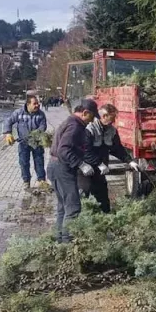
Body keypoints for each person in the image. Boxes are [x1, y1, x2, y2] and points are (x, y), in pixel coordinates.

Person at [48, 104, 96, 242]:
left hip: (54, 166)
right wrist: (81, 164)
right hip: (62, 169)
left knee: (63, 207)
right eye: (91, 118)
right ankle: (67, 246)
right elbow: (64, 150)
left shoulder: (69, 122)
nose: (91, 121)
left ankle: (58, 241)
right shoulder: (75, 126)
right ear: (85, 112)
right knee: (73, 208)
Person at [80, 103, 139, 213]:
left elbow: (117, 149)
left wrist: (129, 161)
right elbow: (85, 151)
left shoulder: (112, 131)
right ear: (104, 116)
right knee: (84, 198)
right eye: (112, 118)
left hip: (100, 172)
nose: (114, 121)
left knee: (103, 201)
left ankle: (106, 219)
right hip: (86, 170)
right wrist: (99, 163)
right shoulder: (89, 129)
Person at [2, 95, 49, 191]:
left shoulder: (41, 115)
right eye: (34, 103)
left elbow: (43, 126)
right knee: (24, 163)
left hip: (37, 142)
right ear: (28, 104)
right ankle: (26, 181)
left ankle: (41, 180)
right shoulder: (19, 113)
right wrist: (8, 133)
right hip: (23, 143)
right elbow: (8, 121)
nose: (37, 105)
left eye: (38, 103)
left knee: (39, 161)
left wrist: (35, 135)